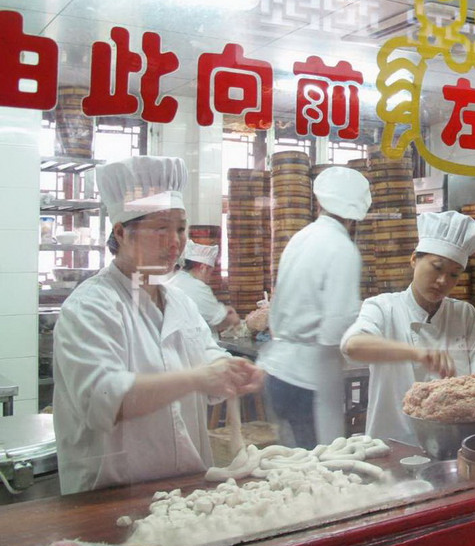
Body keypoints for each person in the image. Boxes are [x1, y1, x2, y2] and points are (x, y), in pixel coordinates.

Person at [53, 156, 264, 495]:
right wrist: (196, 378)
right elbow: (103, 400)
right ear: (122, 232)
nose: (175, 242)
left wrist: (229, 369)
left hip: (185, 489)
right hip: (111, 496)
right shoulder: (90, 307)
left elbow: (208, 358)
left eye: (180, 228)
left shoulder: (179, 302)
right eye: (160, 228)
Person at [341, 210, 475, 445]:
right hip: (392, 444)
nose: (442, 281)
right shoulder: (384, 307)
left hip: (454, 443)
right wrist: (418, 353)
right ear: (414, 259)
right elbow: (353, 346)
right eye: (437, 267)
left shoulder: (464, 314)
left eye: (453, 275)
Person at [257, 166, 371, 449]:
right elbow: (336, 329)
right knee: (317, 466)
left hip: (277, 369)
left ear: (319, 202)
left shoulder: (301, 237)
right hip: (309, 379)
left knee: (291, 464)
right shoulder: (342, 249)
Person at [168, 240, 241, 335]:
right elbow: (221, 320)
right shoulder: (197, 287)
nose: (209, 279)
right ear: (203, 268)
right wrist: (235, 319)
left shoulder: (175, 279)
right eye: (210, 273)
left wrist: (224, 310)